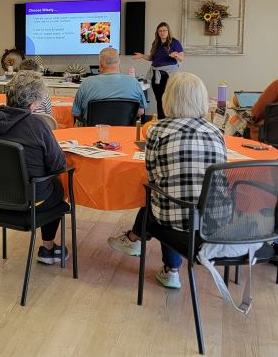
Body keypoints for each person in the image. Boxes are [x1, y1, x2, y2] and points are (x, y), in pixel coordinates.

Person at [107, 72, 227, 290]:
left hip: (174, 218)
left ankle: (166, 266)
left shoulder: (158, 130)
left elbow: (153, 176)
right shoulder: (216, 131)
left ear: (168, 99)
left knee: (162, 197)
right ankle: (136, 241)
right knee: (176, 198)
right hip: (217, 221)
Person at [0, 71, 70, 265]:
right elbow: (58, 165)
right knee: (57, 187)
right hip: (28, 200)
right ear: (34, 102)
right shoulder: (37, 125)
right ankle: (48, 248)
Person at [72, 47, 147, 124]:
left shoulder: (86, 83)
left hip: (93, 133)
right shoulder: (134, 82)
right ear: (119, 62)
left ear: (100, 64)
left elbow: (76, 113)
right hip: (124, 132)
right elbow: (140, 112)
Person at [132, 22, 184, 119]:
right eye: (160, 31)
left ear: (168, 31)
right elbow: (152, 58)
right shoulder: (155, 43)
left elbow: (182, 58)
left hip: (168, 75)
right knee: (159, 99)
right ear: (157, 33)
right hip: (156, 75)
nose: (162, 32)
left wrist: (176, 55)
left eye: (164, 30)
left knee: (168, 99)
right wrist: (142, 56)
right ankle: (161, 120)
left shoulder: (174, 42)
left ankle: (169, 120)